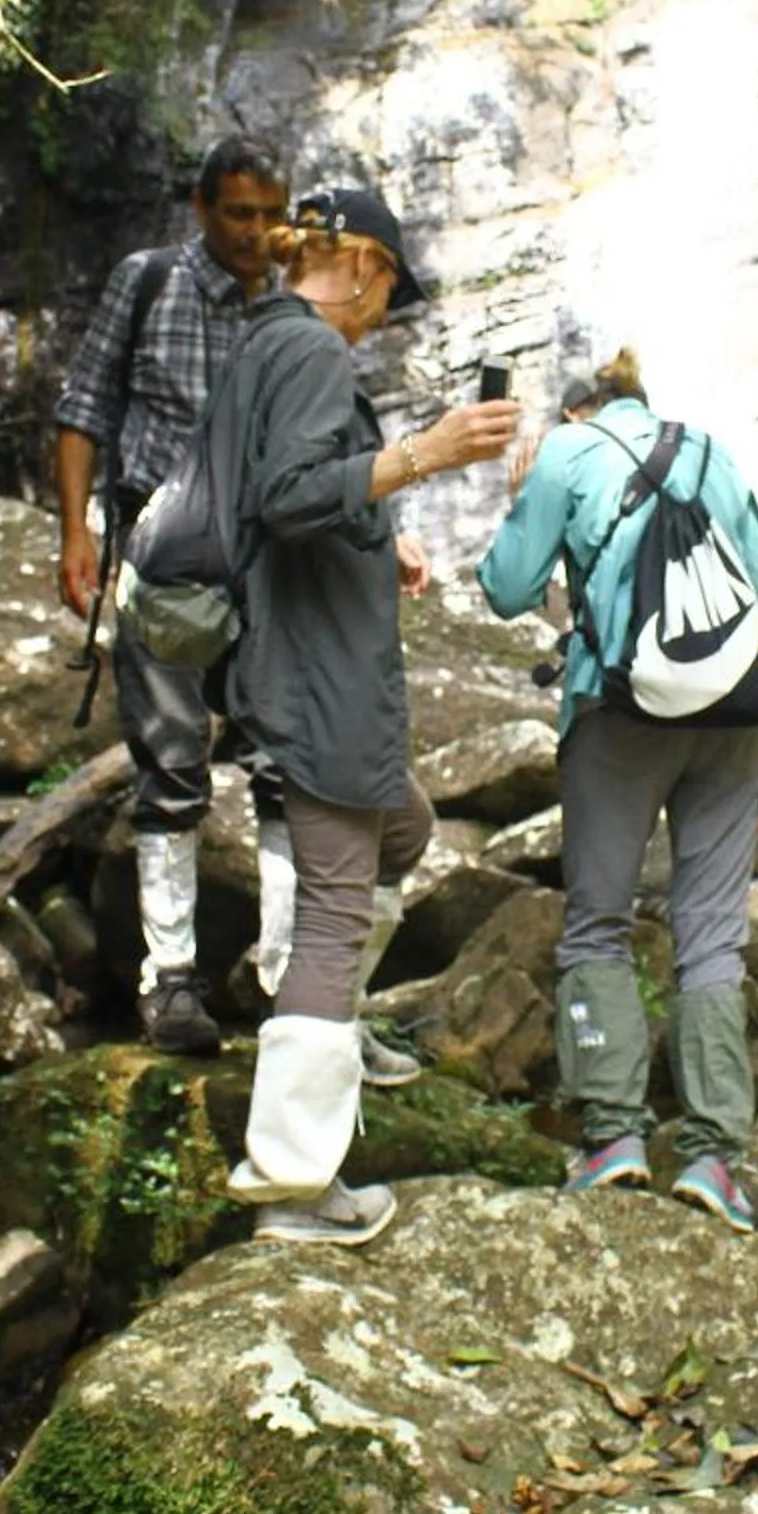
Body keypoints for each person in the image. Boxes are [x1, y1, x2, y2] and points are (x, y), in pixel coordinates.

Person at [216, 185, 519, 1245]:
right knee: (336, 909)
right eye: (389, 288)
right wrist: (427, 453)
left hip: (300, 656)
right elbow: (289, 495)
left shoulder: (261, 341)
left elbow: (286, 500)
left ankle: (332, 1018)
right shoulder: (308, 349)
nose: (386, 314)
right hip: (319, 673)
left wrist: (377, 534)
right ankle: (295, 1184)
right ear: (358, 264)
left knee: (404, 827)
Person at [476, 348, 758, 1231]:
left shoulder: (565, 453)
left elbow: (505, 588)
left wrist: (523, 498)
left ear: (576, 412)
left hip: (617, 716)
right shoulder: (710, 452)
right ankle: (713, 1159)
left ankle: (614, 1139)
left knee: (599, 923)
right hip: (733, 719)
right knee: (713, 938)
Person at [53, 136, 289, 1054]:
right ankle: (171, 981)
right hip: (160, 558)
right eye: (239, 213)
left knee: (282, 757)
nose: (256, 233)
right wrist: (75, 533)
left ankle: (281, 974)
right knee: (171, 758)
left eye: (271, 215)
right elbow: (84, 408)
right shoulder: (149, 282)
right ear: (201, 208)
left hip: (268, 562)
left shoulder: (292, 304)